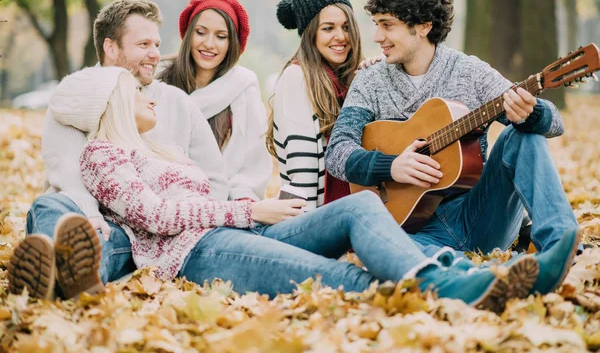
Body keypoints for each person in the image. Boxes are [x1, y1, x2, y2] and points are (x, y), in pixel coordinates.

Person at [20, 65, 577, 314]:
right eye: (134, 90)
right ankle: (459, 286)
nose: (151, 95)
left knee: (358, 205)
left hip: (245, 224)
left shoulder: (160, 149)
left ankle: (470, 278)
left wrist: (256, 208)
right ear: (111, 103)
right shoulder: (103, 154)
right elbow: (155, 214)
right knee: (342, 278)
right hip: (199, 248)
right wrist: (246, 208)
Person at [325, 0, 581, 293]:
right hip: (414, 231)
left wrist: (532, 113)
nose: (376, 36)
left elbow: (553, 124)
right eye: (376, 23)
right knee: (379, 250)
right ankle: (480, 280)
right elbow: (337, 153)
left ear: (423, 26)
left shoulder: (469, 72)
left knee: (521, 134)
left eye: (387, 25)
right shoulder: (371, 80)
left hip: (479, 214)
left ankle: (561, 246)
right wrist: (392, 166)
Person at [8, 0, 229, 299]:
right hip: (84, 216)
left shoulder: (176, 102)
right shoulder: (75, 98)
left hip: (145, 230)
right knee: (50, 206)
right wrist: (91, 216)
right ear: (111, 48)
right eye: (143, 45)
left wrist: (190, 231)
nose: (155, 54)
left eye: (156, 44)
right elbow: (68, 175)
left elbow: (214, 178)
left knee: (104, 238)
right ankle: (49, 269)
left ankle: (52, 281)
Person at [158, 0, 271, 201]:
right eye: (201, 32)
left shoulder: (243, 87)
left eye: (221, 37)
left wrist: (242, 203)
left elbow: (253, 162)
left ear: (232, 44)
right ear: (189, 34)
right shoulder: (158, 77)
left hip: (220, 206)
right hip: (160, 200)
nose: (209, 44)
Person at [266, 0, 362, 210]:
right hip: (314, 213)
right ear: (311, 34)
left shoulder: (353, 81)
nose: (341, 36)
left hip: (350, 209)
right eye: (328, 28)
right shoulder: (297, 77)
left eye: (346, 27)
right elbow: (303, 169)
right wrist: (312, 229)